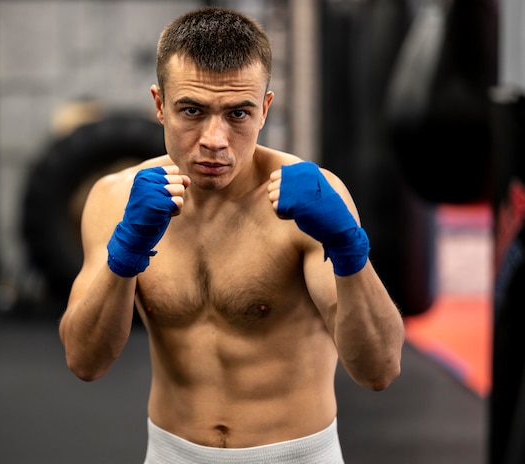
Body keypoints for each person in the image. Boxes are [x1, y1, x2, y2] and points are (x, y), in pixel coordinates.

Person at [59, 7, 405, 463]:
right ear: (160, 104)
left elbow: (378, 370)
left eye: (237, 113)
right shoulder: (113, 199)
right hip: (172, 453)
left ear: (264, 109)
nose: (215, 139)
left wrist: (348, 248)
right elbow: (86, 362)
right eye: (192, 111)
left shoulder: (313, 198)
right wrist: (125, 251)